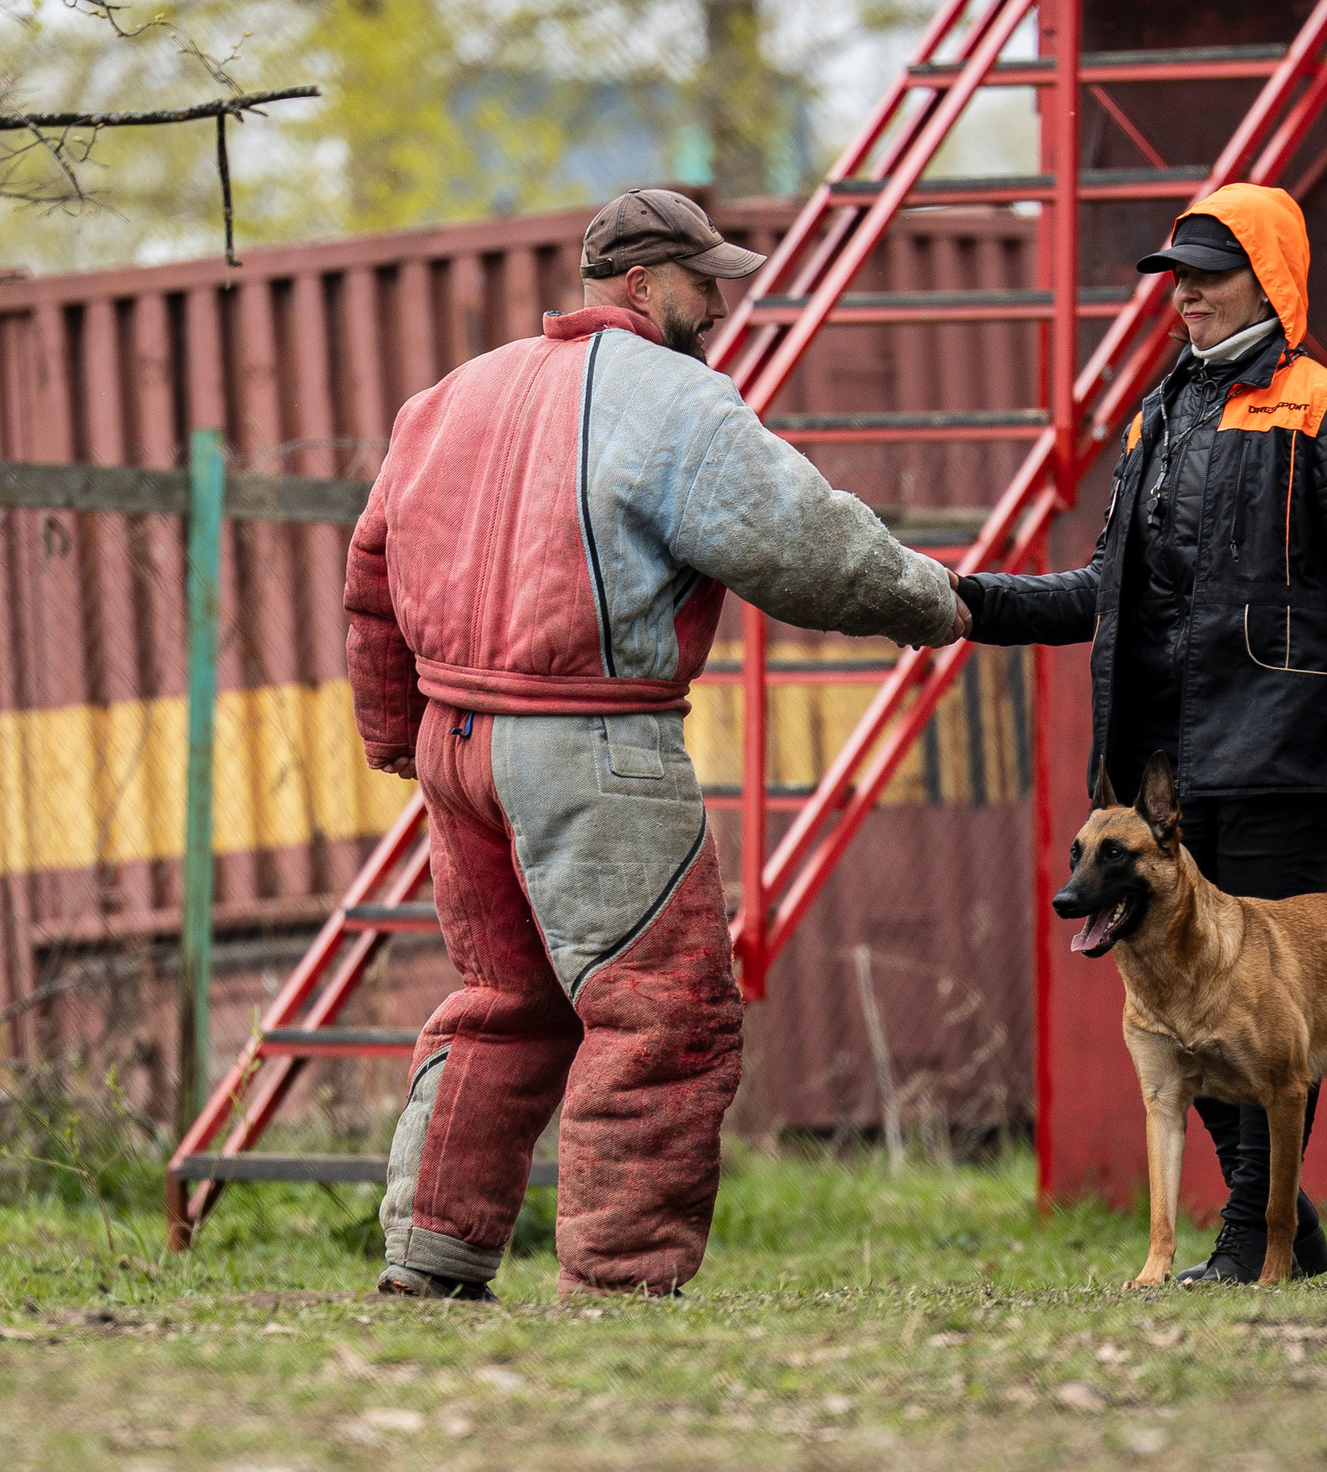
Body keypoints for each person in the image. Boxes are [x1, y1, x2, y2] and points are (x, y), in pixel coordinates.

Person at [345, 187, 967, 1299]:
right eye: (703, 281)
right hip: (590, 741)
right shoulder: (675, 401)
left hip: (457, 743)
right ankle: (622, 1283)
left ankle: (431, 1259)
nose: (719, 304)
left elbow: (370, 577)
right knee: (660, 1015)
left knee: (504, 1002)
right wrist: (932, 601)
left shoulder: (448, 395)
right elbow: (806, 545)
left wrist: (397, 730)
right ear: (641, 285)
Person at [957, 183, 1327, 1283]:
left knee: (1259, 1018)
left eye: (1205, 277)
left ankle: (1244, 1243)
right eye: (1175, 279)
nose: (1184, 298)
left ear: (1270, 280)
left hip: (1278, 759)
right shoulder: (1158, 414)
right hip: (1158, 777)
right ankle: (1287, 1234)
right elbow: (1105, 594)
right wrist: (964, 603)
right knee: (1182, 1015)